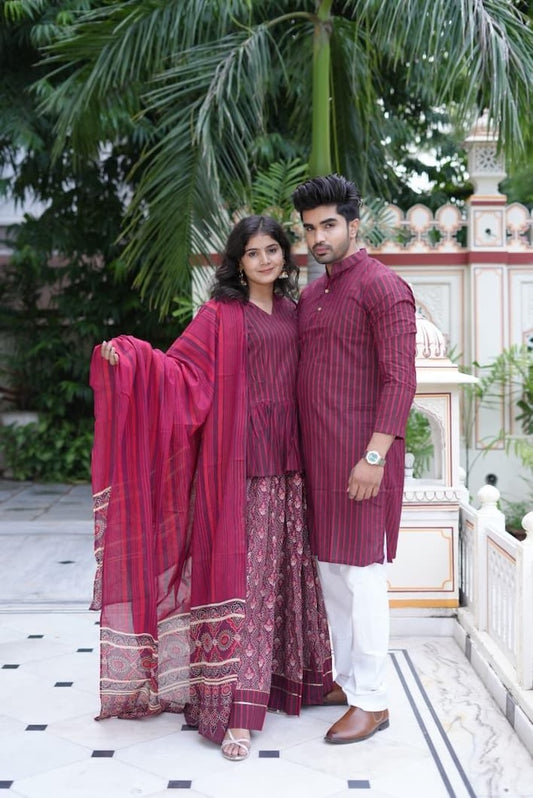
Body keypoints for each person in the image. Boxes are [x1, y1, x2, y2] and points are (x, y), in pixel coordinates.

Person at [89, 215, 333, 762]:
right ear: (238, 263)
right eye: (253, 253)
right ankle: (236, 713)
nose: (265, 260)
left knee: (283, 574)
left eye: (273, 250)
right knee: (245, 582)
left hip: (290, 463)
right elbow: (179, 373)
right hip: (239, 465)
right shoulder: (219, 314)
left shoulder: (293, 311)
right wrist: (132, 359)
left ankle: (286, 682)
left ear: (285, 256)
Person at [292, 174, 417, 745]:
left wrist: (374, 456)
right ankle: (348, 680)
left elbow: (400, 379)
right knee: (333, 578)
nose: (318, 237)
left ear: (353, 225)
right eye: (309, 228)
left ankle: (374, 701)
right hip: (320, 464)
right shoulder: (314, 294)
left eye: (328, 225)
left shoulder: (383, 287)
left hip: (364, 464)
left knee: (363, 580)